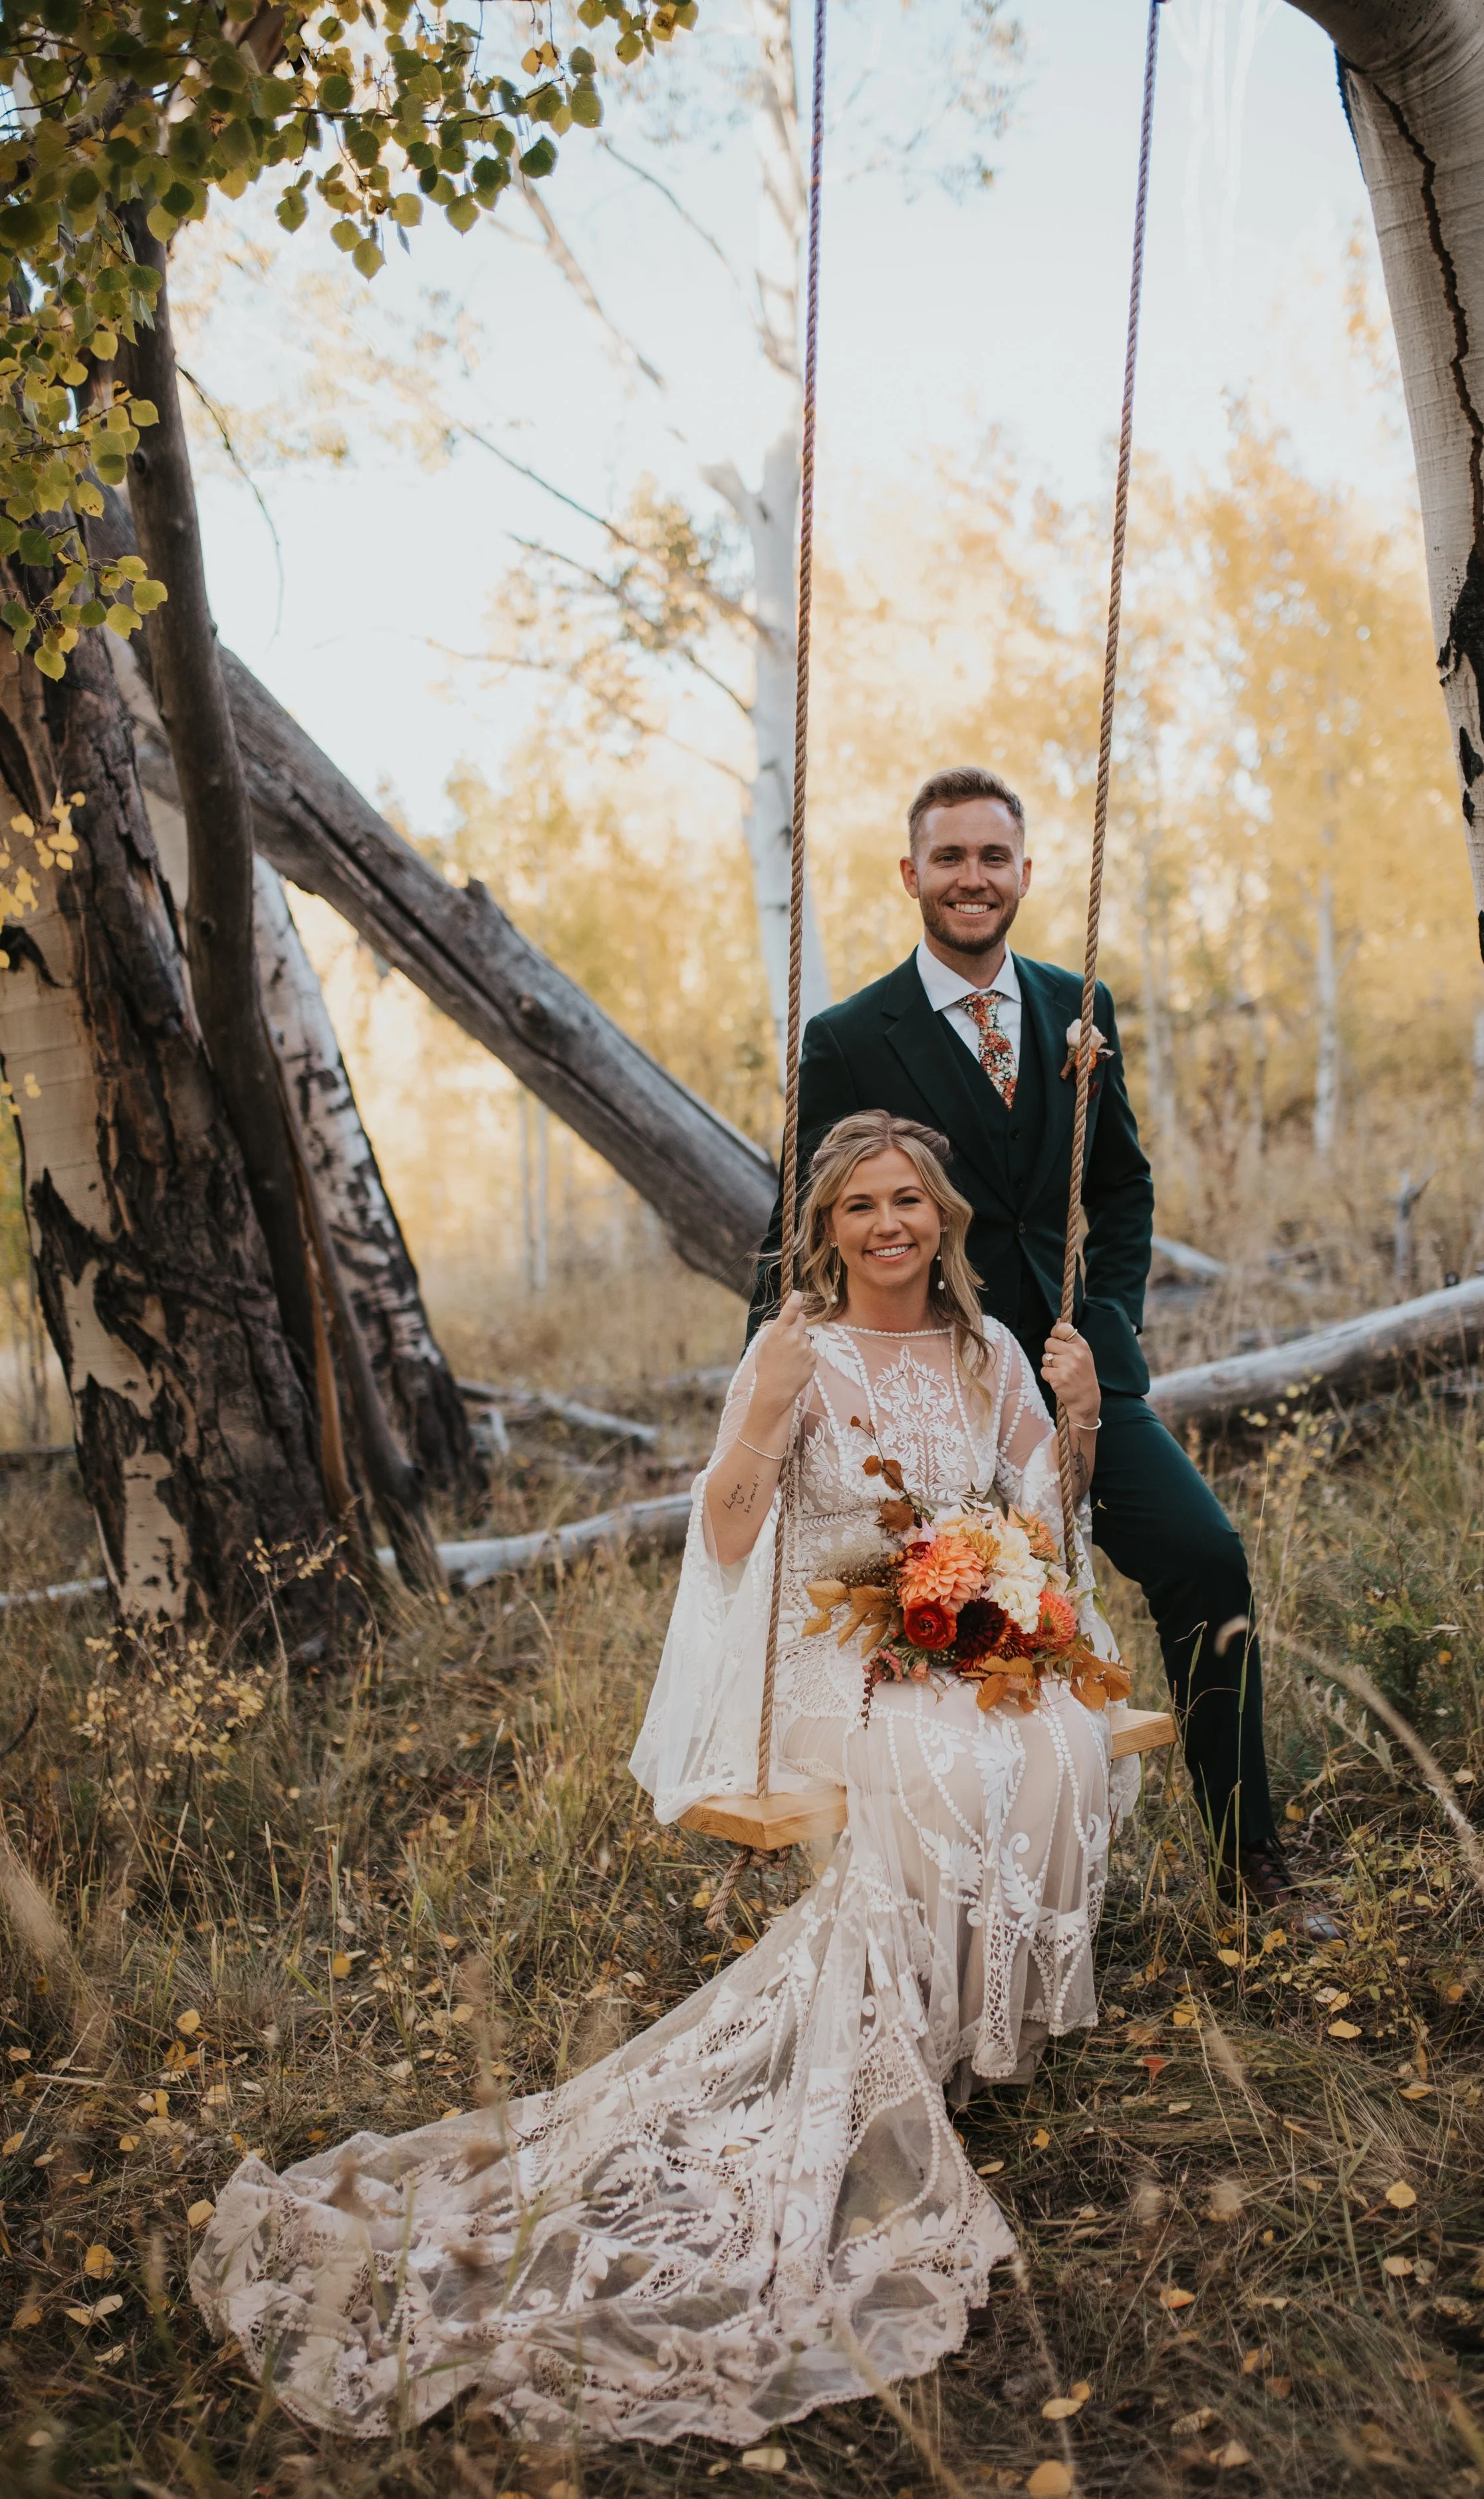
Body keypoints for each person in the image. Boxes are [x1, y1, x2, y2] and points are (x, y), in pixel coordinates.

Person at [191, 1111, 1140, 2446]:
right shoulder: (793, 1348)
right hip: (832, 1646)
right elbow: (730, 1533)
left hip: (960, 1625)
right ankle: (907, 2041)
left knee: (1057, 1737)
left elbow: (1045, 1522)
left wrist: (1077, 1421)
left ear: (942, 1220)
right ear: (826, 1229)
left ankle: (982, 2030)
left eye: (907, 1202)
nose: (887, 1225)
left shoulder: (990, 1352)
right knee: (941, 1754)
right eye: (861, 1204)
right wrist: (757, 1418)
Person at [749, 765, 1309, 1918]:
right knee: (953, 1627)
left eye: (992, 857)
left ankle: (1253, 1862)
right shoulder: (852, 1035)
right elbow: (802, 1216)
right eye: (949, 858)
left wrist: (1103, 1334)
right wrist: (767, 1382)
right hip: (931, 1385)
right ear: (912, 874)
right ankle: (965, 1906)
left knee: (1206, 1556)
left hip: (1064, 1376)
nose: (972, 878)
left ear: (1025, 873)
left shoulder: (1076, 1008)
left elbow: (1124, 1186)